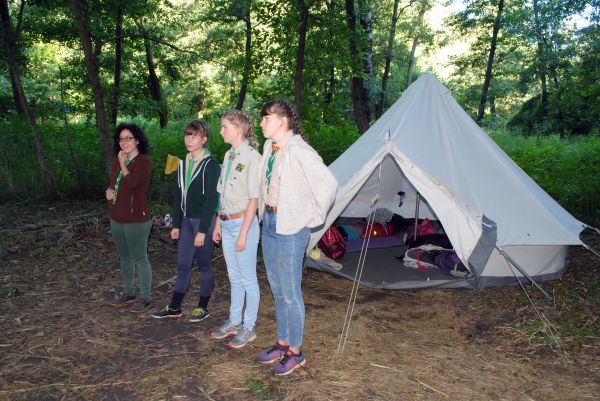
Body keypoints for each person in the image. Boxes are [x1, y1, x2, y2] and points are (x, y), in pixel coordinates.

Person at [255, 99, 338, 375]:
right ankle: (282, 343)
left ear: (282, 120)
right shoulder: (271, 147)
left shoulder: (300, 150)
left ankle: (296, 352)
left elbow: (328, 184)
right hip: (269, 221)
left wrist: (312, 219)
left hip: (291, 226)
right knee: (277, 289)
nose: (261, 123)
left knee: (291, 292)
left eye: (266, 118)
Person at [152, 120, 220, 322]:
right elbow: (178, 195)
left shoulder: (211, 165)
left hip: (203, 223)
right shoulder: (182, 163)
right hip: (187, 222)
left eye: (194, 136)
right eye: (187, 135)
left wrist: (203, 230)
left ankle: (202, 307)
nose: (189, 140)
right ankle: (175, 307)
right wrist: (176, 223)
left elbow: (211, 201)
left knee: (204, 263)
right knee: (182, 264)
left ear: (204, 139)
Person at [210, 110, 261, 349]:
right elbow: (222, 193)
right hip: (228, 222)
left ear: (238, 129)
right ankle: (234, 321)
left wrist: (243, 233)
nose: (221, 132)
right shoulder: (229, 155)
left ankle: (248, 327)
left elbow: (254, 199)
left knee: (248, 278)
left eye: (224, 127)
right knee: (233, 276)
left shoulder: (252, 157)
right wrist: (218, 223)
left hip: (244, 224)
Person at [106, 123, 154, 313]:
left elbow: (133, 184)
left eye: (128, 138)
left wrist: (124, 164)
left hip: (137, 220)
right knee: (125, 258)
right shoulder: (119, 160)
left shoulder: (144, 162)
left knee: (140, 258)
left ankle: (145, 296)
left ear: (137, 141)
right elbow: (112, 184)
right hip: (117, 217)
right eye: (121, 139)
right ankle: (128, 292)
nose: (123, 142)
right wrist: (108, 191)